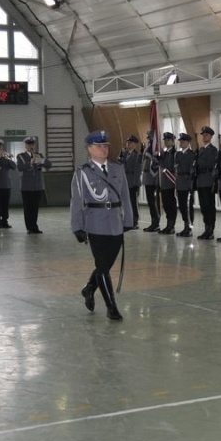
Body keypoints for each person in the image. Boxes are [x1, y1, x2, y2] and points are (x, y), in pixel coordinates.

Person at [71, 130, 133, 321]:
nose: (103, 149)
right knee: (103, 267)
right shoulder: (83, 172)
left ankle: (89, 288)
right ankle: (111, 307)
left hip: (115, 222)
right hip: (95, 223)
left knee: (106, 263)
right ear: (89, 149)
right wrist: (77, 226)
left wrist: (128, 220)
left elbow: (125, 196)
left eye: (105, 146)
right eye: (99, 146)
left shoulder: (117, 168)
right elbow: (76, 200)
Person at [17, 136, 52, 234]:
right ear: (26, 146)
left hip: (37, 186)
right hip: (27, 187)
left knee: (35, 208)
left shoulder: (39, 155)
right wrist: (30, 163)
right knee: (28, 208)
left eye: (32, 144)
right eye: (29, 144)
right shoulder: (21, 156)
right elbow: (20, 167)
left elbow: (49, 165)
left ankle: (34, 226)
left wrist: (41, 160)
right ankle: (29, 227)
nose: (31, 146)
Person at [194, 126, 218, 240]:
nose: (204, 137)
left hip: (208, 180)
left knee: (209, 206)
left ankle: (210, 230)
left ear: (211, 136)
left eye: (206, 135)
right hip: (201, 181)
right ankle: (206, 228)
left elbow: (209, 164)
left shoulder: (213, 150)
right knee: (203, 207)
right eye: (203, 135)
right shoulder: (201, 150)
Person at [0, 139, 17, 229]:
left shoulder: (7, 158)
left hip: (6, 185)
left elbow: (14, 166)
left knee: (5, 205)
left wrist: (7, 159)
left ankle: (5, 221)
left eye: (0, 146)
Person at [119, 134, 142, 229]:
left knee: (133, 203)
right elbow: (119, 165)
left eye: (130, 143)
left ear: (135, 145)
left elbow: (138, 170)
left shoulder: (137, 155)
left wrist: (136, 184)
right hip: (124, 181)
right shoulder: (124, 154)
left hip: (132, 181)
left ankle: (134, 221)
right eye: (127, 142)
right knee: (125, 202)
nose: (128, 144)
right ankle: (127, 220)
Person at [157, 132, 177, 234]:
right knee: (165, 204)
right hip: (164, 183)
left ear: (173, 142)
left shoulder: (174, 153)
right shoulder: (164, 153)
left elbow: (171, 168)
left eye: (168, 140)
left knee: (171, 204)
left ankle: (171, 226)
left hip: (171, 183)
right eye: (165, 140)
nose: (166, 142)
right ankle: (168, 225)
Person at [142, 130, 161, 232]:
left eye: (150, 137)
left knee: (153, 202)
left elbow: (154, 163)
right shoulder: (148, 148)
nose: (149, 138)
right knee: (150, 202)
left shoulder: (154, 149)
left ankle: (156, 222)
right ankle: (153, 221)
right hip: (147, 177)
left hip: (152, 178)